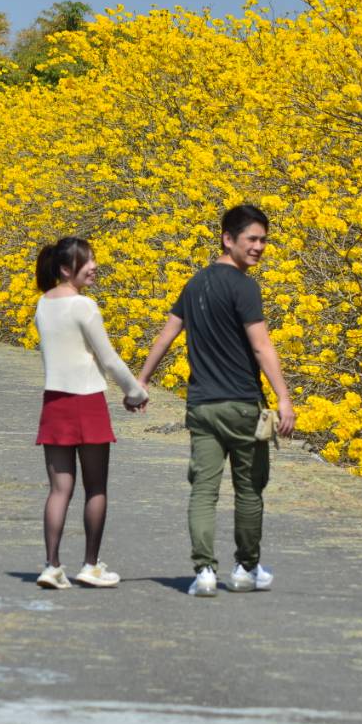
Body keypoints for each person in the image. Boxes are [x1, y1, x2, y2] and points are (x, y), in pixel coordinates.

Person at [135, 204, 295, 598]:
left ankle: (204, 572)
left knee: (203, 490)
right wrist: (284, 398)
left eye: (263, 240)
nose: (259, 247)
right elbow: (261, 347)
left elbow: (166, 335)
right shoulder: (244, 286)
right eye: (252, 239)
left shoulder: (195, 284)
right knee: (248, 490)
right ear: (228, 239)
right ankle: (245, 568)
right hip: (242, 405)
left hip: (202, 407)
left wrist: (142, 380)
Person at [32, 237, 148, 589]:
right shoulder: (84, 306)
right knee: (95, 487)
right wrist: (135, 392)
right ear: (67, 269)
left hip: (54, 401)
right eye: (87, 261)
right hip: (86, 400)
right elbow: (109, 358)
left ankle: (51, 566)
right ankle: (90, 565)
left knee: (58, 490)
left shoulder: (42, 304)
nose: (94, 266)